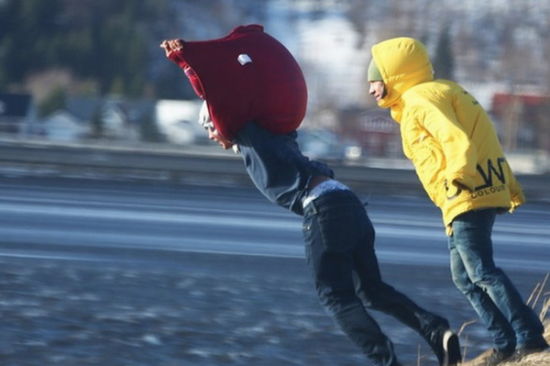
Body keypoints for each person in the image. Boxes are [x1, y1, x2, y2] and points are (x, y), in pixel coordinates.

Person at [161, 25, 462, 366]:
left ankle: (387, 362)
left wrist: (187, 62)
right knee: (371, 291)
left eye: (209, 129)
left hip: (323, 209)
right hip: (347, 202)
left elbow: (217, 95)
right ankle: (437, 331)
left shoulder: (248, 133)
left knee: (336, 296)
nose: (213, 136)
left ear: (218, 121)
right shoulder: (277, 133)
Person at [366, 37, 549, 366]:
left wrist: (458, 177)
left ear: (393, 76)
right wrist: (506, 183)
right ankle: (505, 342)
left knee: (481, 271)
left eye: (374, 80)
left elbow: (457, 139)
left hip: (467, 190)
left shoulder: (420, 100)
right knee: (464, 276)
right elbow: (486, 137)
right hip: (474, 190)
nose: (371, 89)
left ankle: (529, 338)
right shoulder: (441, 90)